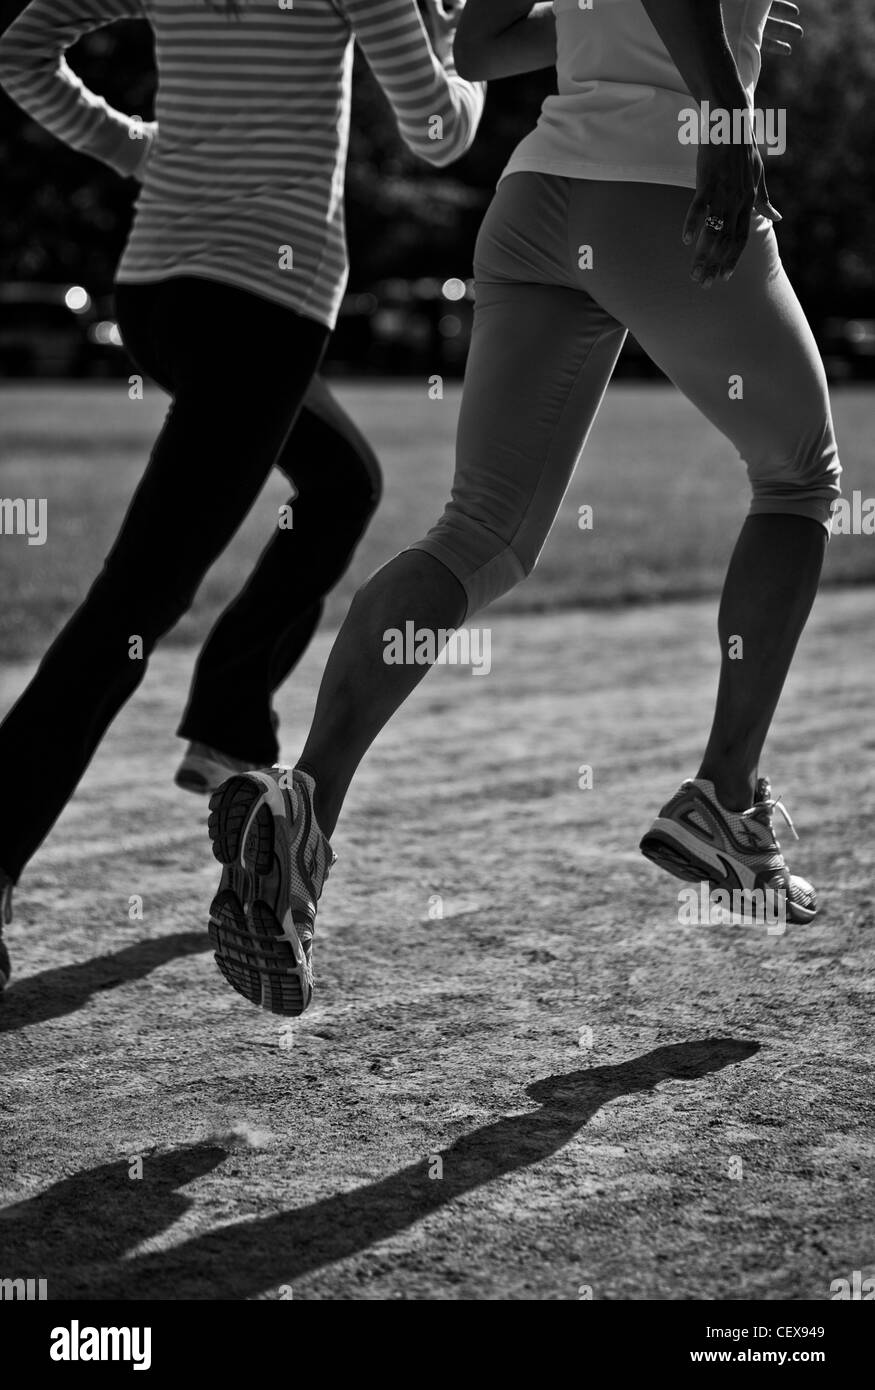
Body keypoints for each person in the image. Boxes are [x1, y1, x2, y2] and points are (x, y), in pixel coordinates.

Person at [200, 0, 841, 1018]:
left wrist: (622, 36)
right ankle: (726, 793)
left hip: (540, 195)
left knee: (478, 533)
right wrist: (724, 114)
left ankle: (303, 802)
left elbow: (483, 42)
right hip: (657, 181)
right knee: (798, 476)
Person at [0, 0, 485, 990]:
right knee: (135, 601)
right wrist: (452, 51)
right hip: (264, 309)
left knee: (342, 482)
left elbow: (20, 53)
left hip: (160, 295)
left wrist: (139, 151)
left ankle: (229, 723)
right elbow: (436, 131)